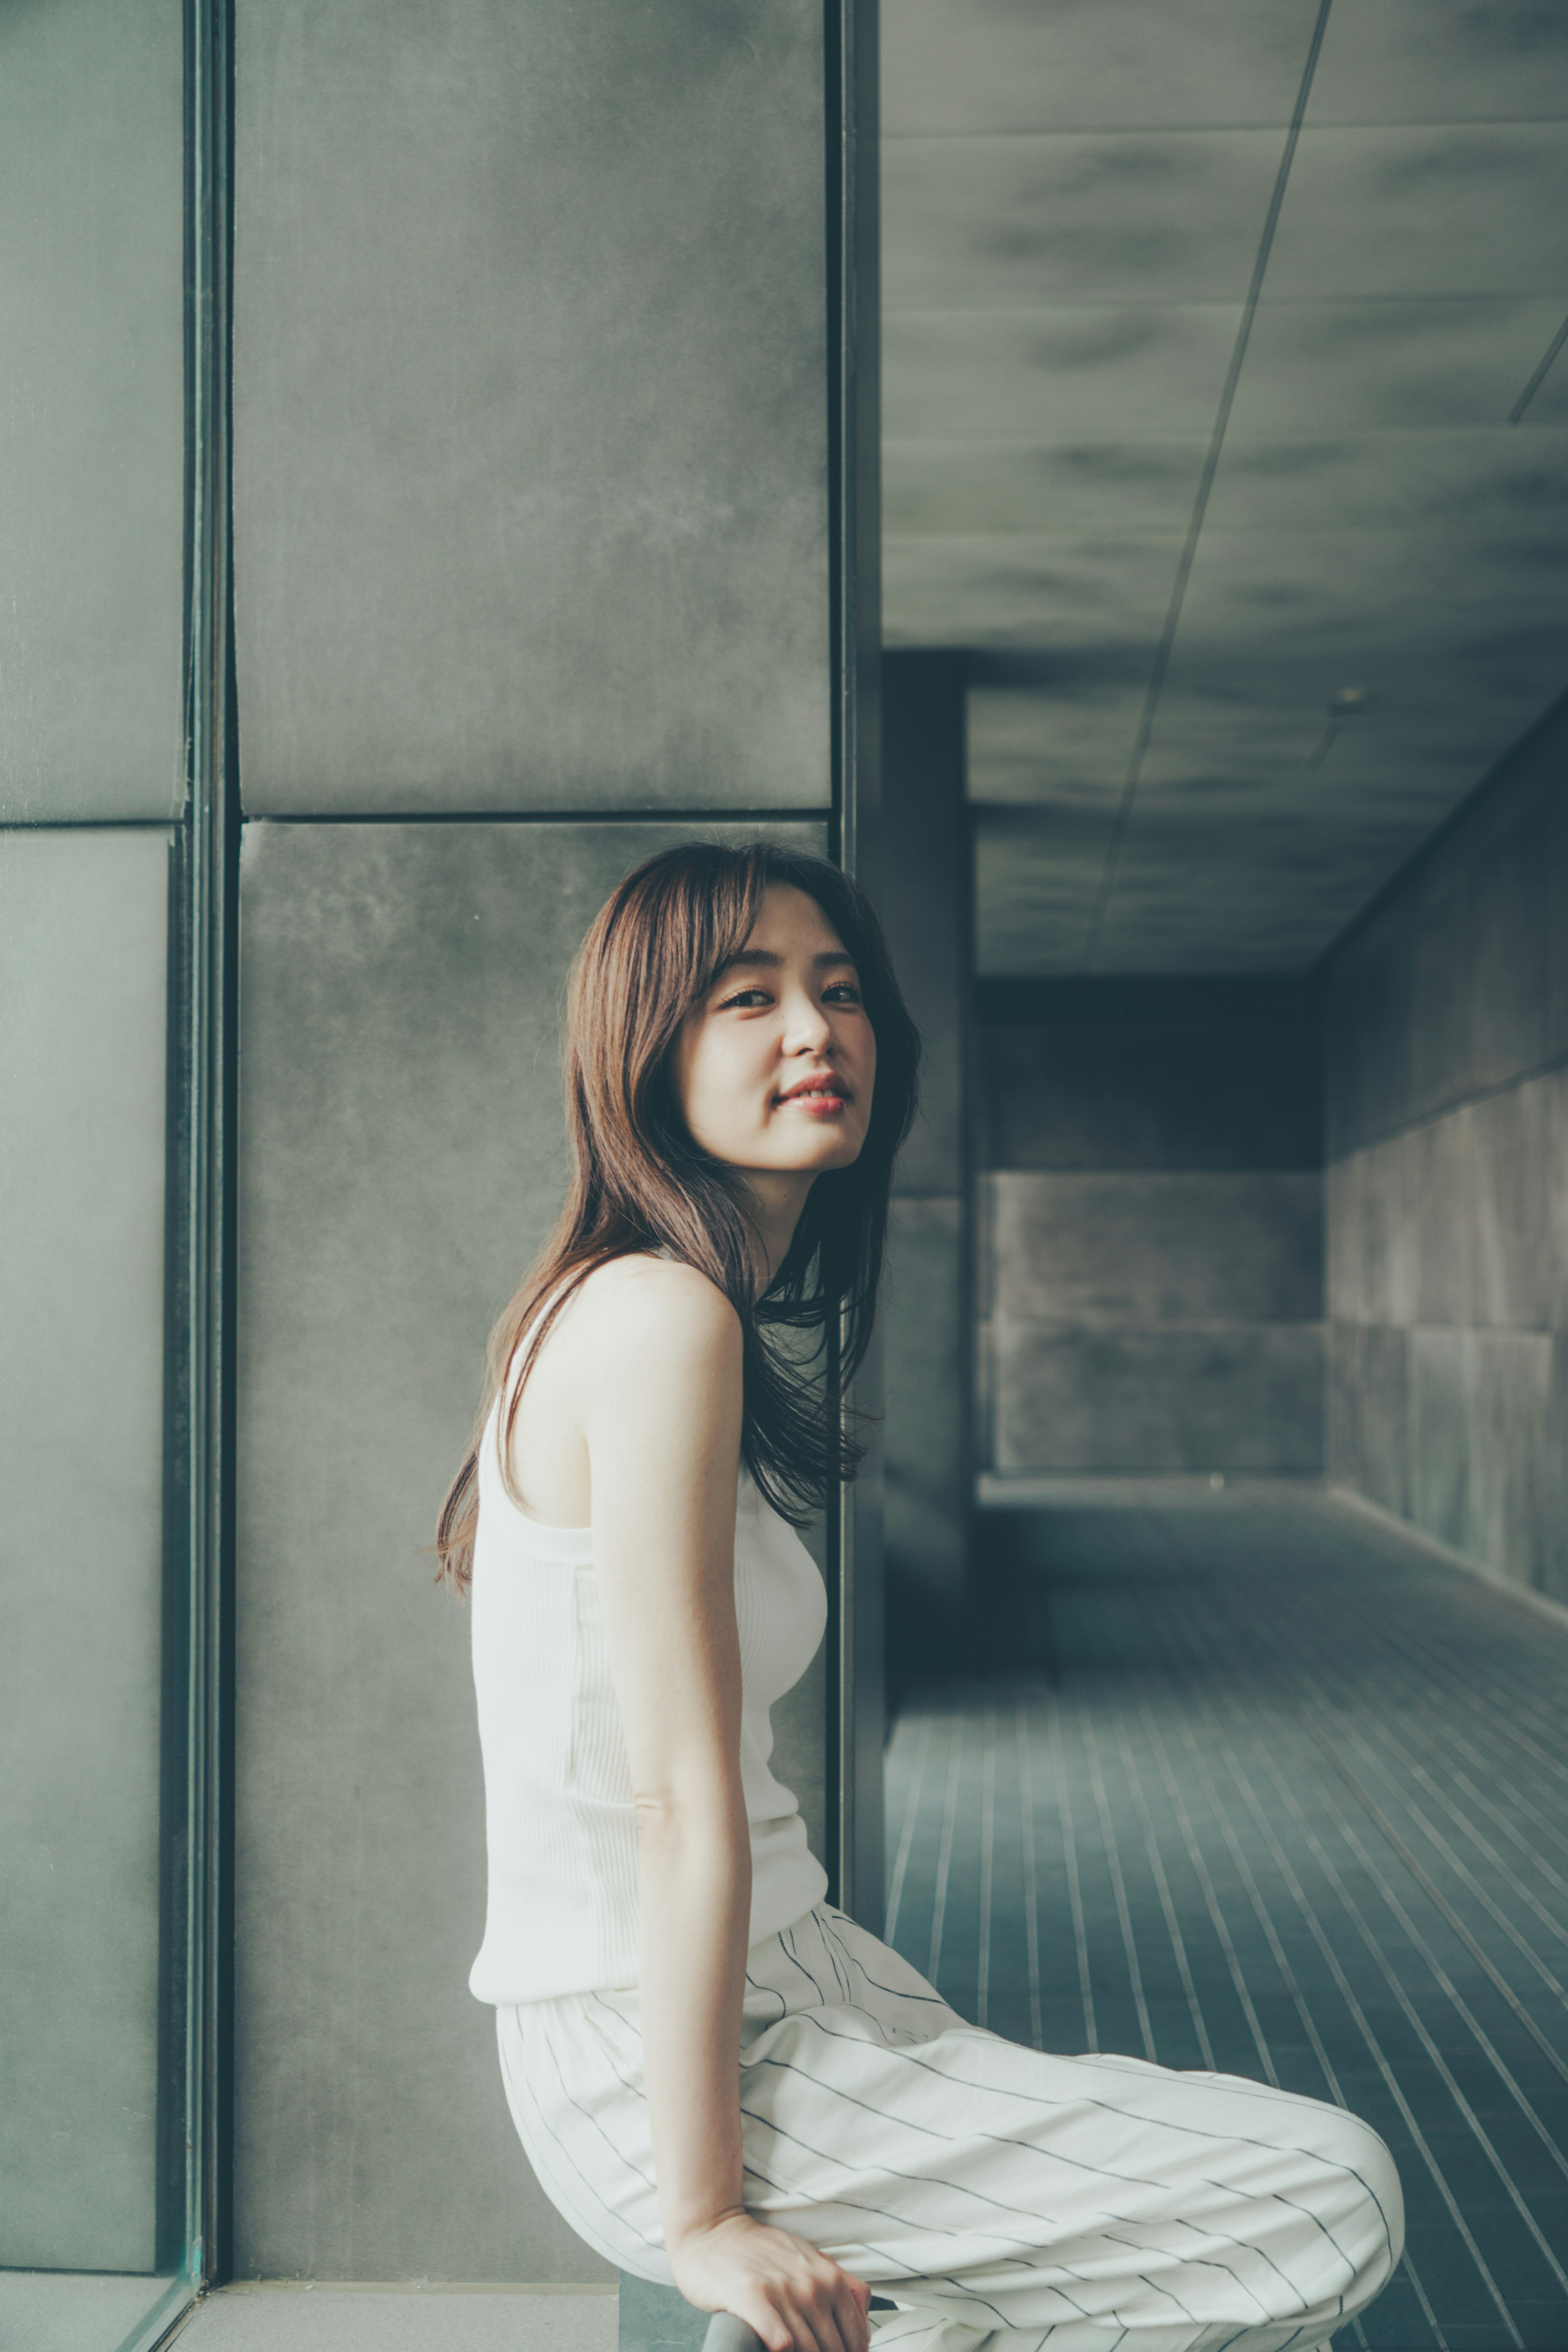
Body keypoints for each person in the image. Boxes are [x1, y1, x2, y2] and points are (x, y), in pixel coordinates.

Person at [437, 843, 1403, 2352]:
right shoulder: (656, 1318)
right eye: (745, 999)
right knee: (1330, 2194)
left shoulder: (675, 1311)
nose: (816, 1031)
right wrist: (702, 2221)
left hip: (798, 1981)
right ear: (642, 1055)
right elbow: (675, 1802)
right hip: (656, 2049)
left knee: (1031, 2292)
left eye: (838, 991)